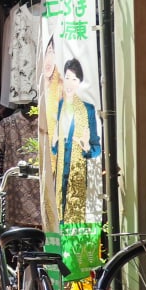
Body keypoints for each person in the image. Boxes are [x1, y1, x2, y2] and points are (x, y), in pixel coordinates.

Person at [51, 57, 101, 225]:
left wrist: (86, 146)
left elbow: (96, 148)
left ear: (80, 82)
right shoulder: (58, 107)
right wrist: (54, 143)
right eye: (67, 78)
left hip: (78, 177)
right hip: (58, 177)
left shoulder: (88, 109)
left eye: (75, 79)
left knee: (75, 226)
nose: (70, 83)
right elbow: (53, 148)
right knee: (59, 220)